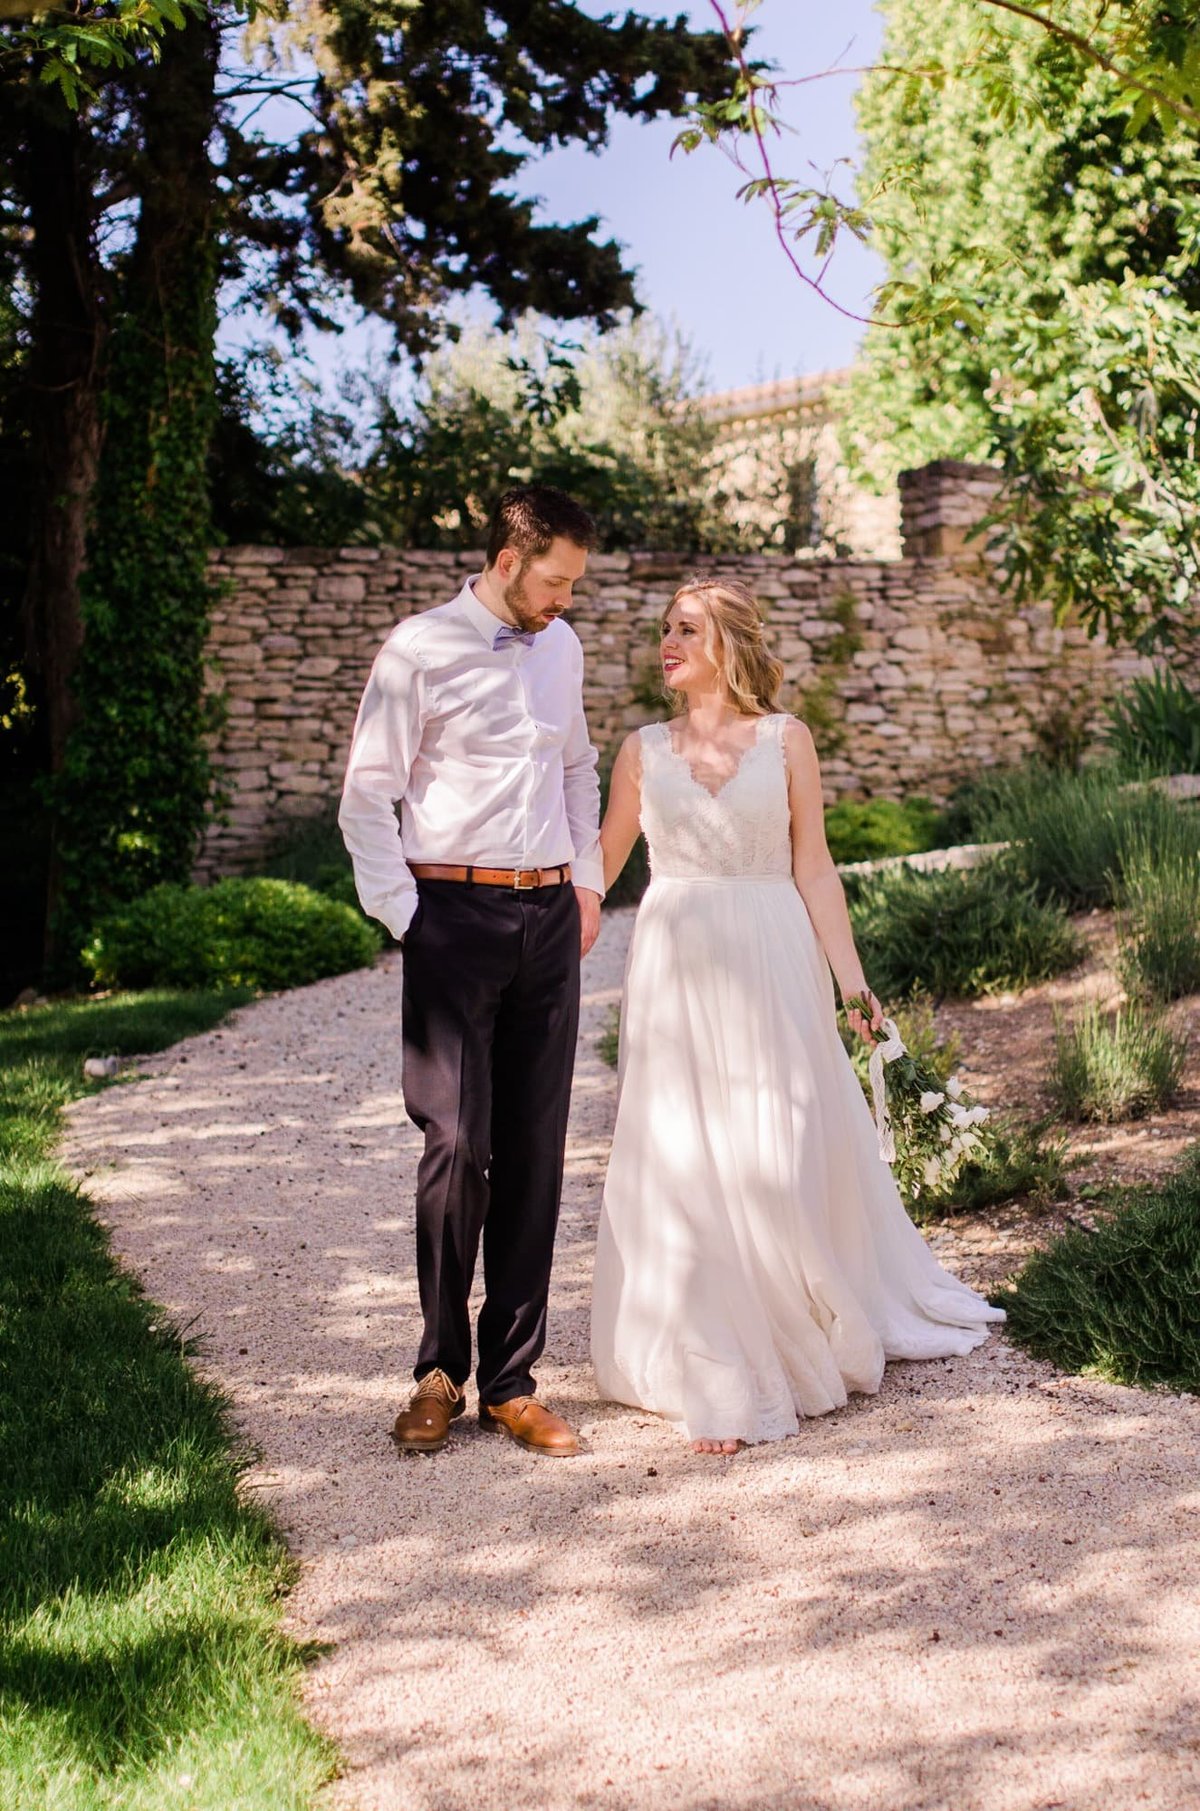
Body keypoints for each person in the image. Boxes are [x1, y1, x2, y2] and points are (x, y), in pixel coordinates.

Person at [591, 575, 1004, 1455]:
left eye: (687, 629)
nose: (667, 643)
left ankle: (799, 1315)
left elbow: (814, 867)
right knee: (689, 1157)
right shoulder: (640, 750)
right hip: (675, 964)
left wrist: (852, 983)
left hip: (772, 953)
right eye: (665, 628)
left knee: (777, 1143)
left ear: (730, 644)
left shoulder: (787, 741)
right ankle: (722, 1363)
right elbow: (601, 864)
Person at [339, 485, 605, 1458]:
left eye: (575, 584)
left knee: (537, 1152)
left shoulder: (562, 648)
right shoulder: (420, 648)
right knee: (456, 1146)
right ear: (506, 560)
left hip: (546, 918)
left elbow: (577, 768)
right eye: (555, 581)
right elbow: (366, 799)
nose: (565, 601)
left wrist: (585, 883)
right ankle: (438, 1373)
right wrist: (415, 921)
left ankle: (513, 1382)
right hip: (451, 915)